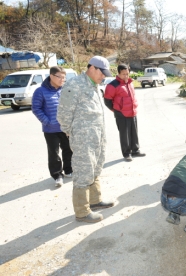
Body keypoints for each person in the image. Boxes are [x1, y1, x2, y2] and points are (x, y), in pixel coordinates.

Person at [57, 56, 115, 223]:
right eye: (102, 73)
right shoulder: (74, 85)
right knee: (83, 171)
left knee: (95, 167)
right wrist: (72, 132)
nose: (103, 76)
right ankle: (82, 212)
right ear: (92, 68)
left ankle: (95, 201)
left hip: (97, 136)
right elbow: (63, 114)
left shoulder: (94, 85)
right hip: (83, 138)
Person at [32, 66, 73, 187]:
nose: (62, 80)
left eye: (64, 77)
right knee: (54, 153)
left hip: (66, 127)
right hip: (50, 129)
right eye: (59, 77)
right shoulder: (40, 91)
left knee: (68, 149)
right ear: (51, 76)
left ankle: (69, 169)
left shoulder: (65, 89)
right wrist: (47, 121)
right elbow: (36, 108)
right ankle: (57, 175)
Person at [104, 64, 145, 161]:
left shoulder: (130, 83)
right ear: (118, 73)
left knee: (134, 132)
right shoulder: (112, 85)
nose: (126, 76)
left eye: (127, 74)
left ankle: (135, 150)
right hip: (121, 114)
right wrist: (117, 110)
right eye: (123, 74)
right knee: (124, 134)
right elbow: (107, 100)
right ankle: (126, 153)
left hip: (132, 112)